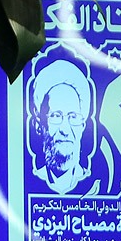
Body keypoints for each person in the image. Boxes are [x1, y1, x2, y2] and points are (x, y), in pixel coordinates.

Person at [29, 56, 94, 195]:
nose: (65, 130)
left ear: (82, 126)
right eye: (55, 116)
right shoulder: (32, 179)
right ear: (39, 126)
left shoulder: (93, 183)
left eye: (73, 117)